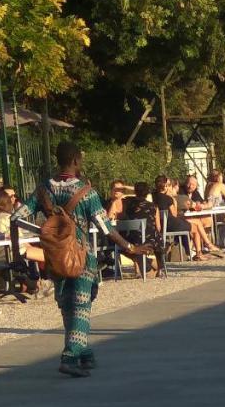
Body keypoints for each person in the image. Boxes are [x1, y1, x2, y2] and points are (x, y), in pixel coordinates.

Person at [41, 141, 146, 376]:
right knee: (81, 307)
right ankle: (69, 356)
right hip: (82, 257)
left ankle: (85, 353)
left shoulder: (44, 189)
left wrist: (47, 234)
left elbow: (18, 217)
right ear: (76, 161)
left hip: (56, 258)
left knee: (67, 307)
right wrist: (130, 247)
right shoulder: (86, 193)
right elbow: (105, 227)